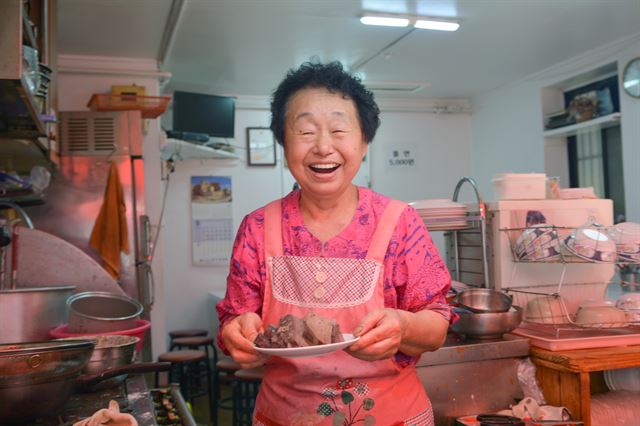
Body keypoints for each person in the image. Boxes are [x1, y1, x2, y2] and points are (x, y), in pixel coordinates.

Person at [217, 61, 453, 425]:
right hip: (285, 417)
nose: (323, 147)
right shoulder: (257, 227)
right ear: (283, 141)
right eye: (305, 131)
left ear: (364, 142)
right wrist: (238, 333)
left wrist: (403, 327)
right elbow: (235, 319)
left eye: (339, 130)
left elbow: (436, 323)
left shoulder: (400, 222)